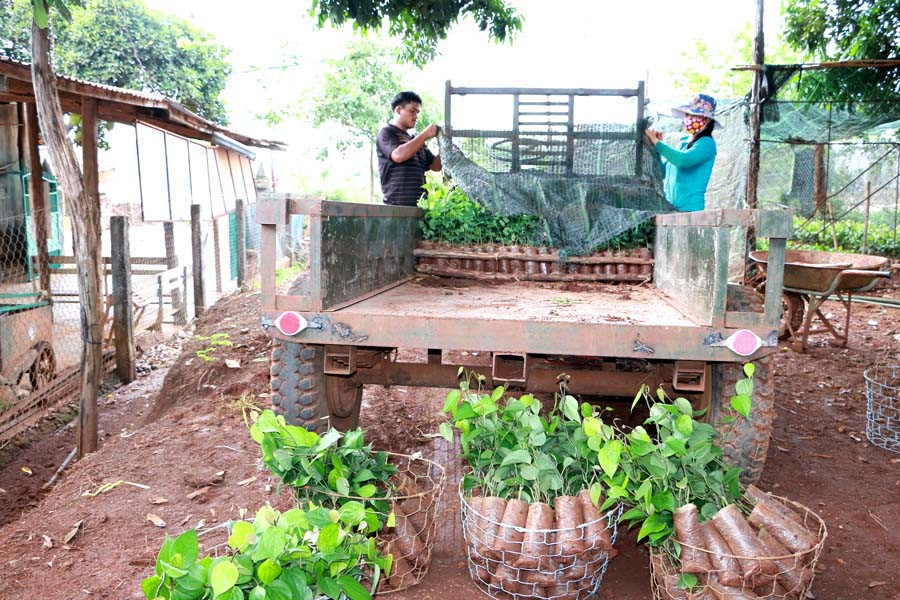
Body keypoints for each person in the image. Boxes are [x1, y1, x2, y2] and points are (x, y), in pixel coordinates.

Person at [644, 93, 720, 212]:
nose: (690, 118)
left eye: (695, 115)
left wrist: (657, 143)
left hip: (691, 211)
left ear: (707, 120)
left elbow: (682, 160)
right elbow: (662, 172)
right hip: (670, 209)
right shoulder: (682, 144)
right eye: (688, 114)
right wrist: (656, 149)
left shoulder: (707, 143)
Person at [376, 91, 442, 206]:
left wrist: (445, 148)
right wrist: (425, 135)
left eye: (417, 112)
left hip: (421, 207)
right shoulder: (386, 132)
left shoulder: (415, 141)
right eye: (412, 111)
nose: (416, 116)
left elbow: (435, 166)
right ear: (398, 110)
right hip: (396, 208)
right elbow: (398, 155)